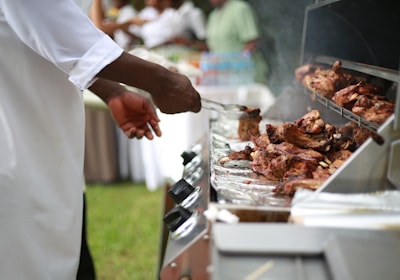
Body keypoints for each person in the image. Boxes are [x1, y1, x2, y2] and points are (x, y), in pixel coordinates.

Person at [0, 1, 201, 280]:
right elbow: (61, 31)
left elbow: (44, 39)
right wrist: (162, 81)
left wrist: (111, 91)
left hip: (48, 148)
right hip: (16, 152)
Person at [206, 0, 268, 83]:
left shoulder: (240, 9)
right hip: (223, 76)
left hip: (245, 74)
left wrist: (235, 64)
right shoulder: (213, 15)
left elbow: (252, 43)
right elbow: (213, 47)